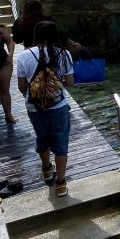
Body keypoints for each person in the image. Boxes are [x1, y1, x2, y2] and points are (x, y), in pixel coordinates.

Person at [16, 21, 74, 198]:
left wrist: (38, 92)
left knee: (42, 138)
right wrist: (53, 87)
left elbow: (22, 86)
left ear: (36, 35)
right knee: (61, 142)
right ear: (55, 35)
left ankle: (47, 169)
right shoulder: (64, 54)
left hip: (34, 108)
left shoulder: (23, 56)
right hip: (58, 106)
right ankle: (61, 184)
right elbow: (70, 82)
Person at [0, 13, 16, 124]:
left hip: (3, 62)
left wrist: (10, 54)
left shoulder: (0, 30)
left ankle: (8, 114)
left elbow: (10, 41)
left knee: (4, 90)